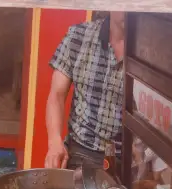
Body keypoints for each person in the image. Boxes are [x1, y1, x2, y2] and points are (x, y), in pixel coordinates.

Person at [45, 12, 124, 170]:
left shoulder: (151, 50)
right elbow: (57, 95)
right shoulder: (78, 36)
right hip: (81, 153)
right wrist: (54, 142)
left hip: (130, 162)